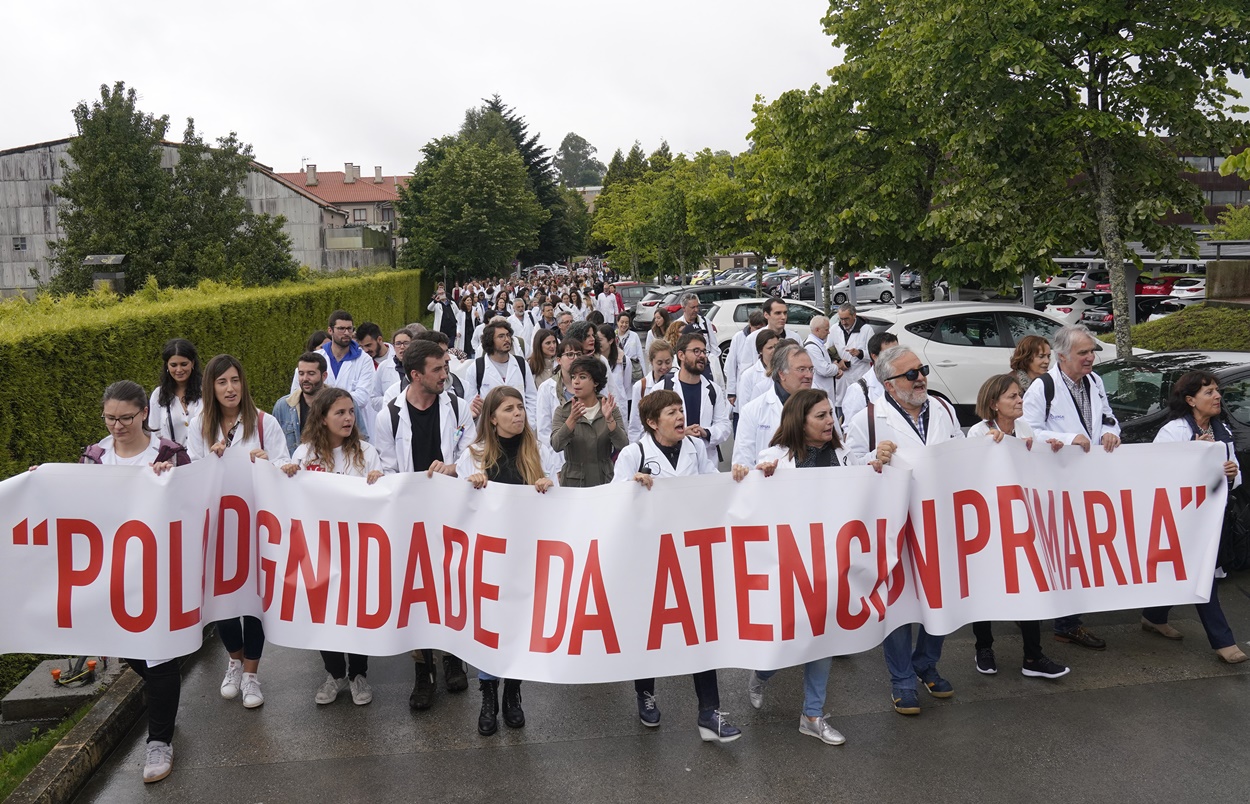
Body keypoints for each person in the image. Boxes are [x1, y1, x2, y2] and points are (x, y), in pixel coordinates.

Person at [741, 388, 894, 745]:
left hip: (833, 564)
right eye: (821, 416)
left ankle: (812, 714)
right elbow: (750, 502)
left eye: (830, 415)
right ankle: (762, 673)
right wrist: (758, 478)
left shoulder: (843, 455)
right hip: (792, 565)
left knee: (824, 638)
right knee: (788, 638)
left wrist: (878, 463)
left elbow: (864, 488)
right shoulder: (774, 458)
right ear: (800, 421)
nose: (830, 422)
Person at [613, 390, 740, 743]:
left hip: (688, 554)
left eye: (681, 410)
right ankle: (645, 693)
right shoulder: (634, 453)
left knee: (700, 630)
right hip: (648, 557)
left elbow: (712, 486)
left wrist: (737, 477)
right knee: (650, 629)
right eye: (672, 412)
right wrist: (630, 487)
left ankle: (709, 713)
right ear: (653, 422)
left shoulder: (696, 448)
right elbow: (612, 499)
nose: (681, 416)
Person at [79, 381, 189, 783]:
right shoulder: (94, 457)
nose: (117, 426)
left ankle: (159, 740)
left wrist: (171, 479)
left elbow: (191, 508)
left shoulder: (170, 454)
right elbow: (77, 506)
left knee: (159, 656)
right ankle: (166, 711)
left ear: (145, 413)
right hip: (114, 574)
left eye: (126, 417)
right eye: (110, 418)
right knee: (131, 652)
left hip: (160, 574)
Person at [843, 345, 962, 715]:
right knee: (897, 603)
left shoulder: (942, 409)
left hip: (938, 521)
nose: (921, 378)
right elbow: (847, 464)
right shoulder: (869, 419)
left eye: (922, 369)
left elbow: (959, 453)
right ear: (889, 384)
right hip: (894, 525)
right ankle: (902, 680)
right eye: (911, 374)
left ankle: (926, 662)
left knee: (939, 597)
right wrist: (871, 459)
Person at [373, 340, 477, 709]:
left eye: (446, 368)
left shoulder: (458, 407)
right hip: (411, 518)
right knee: (416, 593)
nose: (445, 375)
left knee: (451, 586)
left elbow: (473, 454)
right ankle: (423, 670)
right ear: (416, 374)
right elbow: (386, 468)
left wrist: (454, 467)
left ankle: (452, 658)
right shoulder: (390, 415)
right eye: (438, 370)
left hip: (451, 514)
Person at [188, 354, 289, 711]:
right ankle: (234, 660)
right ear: (211, 388)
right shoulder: (200, 425)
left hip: (256, 525)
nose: (230, 388)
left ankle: (251, 674)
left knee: (255, 603)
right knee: (225, 601)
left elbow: (284, 469)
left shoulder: (265, 423)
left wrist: (267, 463)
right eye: (221, 382)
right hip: (220, 528)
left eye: (235, 380)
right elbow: (192, 475)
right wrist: (210, 460)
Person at [454, 386, 554, 736]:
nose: (518, 414)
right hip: (489, 558)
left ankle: (513, 693)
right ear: (492, 418)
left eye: (520, 408)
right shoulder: (474, 455)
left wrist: (547, 485)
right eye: (509, 409)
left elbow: (561, 500)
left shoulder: (539, 452)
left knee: (518, 629)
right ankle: (488, 696)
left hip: (527, 555)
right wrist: (471, 484)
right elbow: (458, 505)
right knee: (489, 630)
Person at [279, 387, 384, 706]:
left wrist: (380, 480)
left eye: (351, 411)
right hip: (318, 549)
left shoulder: (367, 453)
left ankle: (358, 674)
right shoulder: (304, 455)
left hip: (356, 548)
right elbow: (289, 500)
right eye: (340, 412)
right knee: (325, 614)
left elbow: (382, 500)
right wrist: (287, 476)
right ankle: (335, 673)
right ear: (322, 418)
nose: (348, 418)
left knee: (354, 613)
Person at [965, 374, 1070, 680]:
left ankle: (1033, 656)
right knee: (985, 587)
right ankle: (984, 648)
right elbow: (969, 475)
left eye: (1020, 395)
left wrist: (1045, 449)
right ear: (994, 404)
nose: (1020, 400)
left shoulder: (1025, 429)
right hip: (988, 524)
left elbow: (1036, 469)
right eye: (1012, 396)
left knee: (1028, 584)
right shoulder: (977, 432)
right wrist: (989, 449)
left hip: (1023, 523)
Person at [1022, 324, 1119, 650]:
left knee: (1081, 554)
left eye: (1092, 351)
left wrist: (1110, 431)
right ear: (1062, 356)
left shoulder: (1094, 381)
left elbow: (1107, 415)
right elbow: (1029, 434)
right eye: (1083, 353)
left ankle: (1068, 623)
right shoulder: (1042, 388)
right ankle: (1057, 619)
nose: (1091, 357)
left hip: (1088, 484)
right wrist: (1067, 439)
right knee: (1058, 554)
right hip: (1054, 486)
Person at [1141, 370, 1247, 663]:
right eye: (1209, 392)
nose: (1217, 396)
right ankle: (1223, 641)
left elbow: (1234, 479)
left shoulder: (1222, 429)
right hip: (1180, 520)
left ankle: (1153, 616)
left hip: (1212, 520)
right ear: (1190, 400)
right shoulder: (1174, 432)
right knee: (1202, 577)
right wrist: (1196, 459)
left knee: (1183, 572)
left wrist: (1229, 474)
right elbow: (1157, 476)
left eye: (1216, 390)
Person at [639, 333, 730, 464]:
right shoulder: (662, 388)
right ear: (681, 355)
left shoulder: (713, 390)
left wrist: (705, 432)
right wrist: (679, 433)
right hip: (671, 460)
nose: (702, 356)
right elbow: (649, 428)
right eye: (696, 351)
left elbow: (724, 425)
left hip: (705, 461)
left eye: (704, 351)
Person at [732, 342, 817, 469]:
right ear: (782, 374)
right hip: (771, 484)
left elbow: (837, 450)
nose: (809, 375)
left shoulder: (823, 405)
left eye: (810, 369)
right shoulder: (752, 411)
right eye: (801, 369)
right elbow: (742, 464)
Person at [295, 310, 377, 441]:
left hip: (350, 426)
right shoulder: (317, 357)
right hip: (318, 424)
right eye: (341, 328)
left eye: (349, 329)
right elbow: (298, 391)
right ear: (330, 330)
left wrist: (328, 402)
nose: (346, 333)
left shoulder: (364, 360)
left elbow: (362, 397)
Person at [551, 356, 627, 486]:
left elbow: (624, 445)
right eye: (574, 377)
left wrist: (610, 421)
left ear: (596, 382)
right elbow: (556, 445)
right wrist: (571, 420)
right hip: (574, 483)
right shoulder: (563, 411)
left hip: (605, 480)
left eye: (582, 377)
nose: (576, 382)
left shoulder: (609, 408)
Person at [460, 319, 538, 426]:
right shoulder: (477, 368)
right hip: (489, 428)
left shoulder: (521, 364)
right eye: (501, 336)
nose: (507, 339)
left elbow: (531, 397)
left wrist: (529, 422)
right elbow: (471, 402)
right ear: (490, 341)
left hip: (519, 426)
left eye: (508, 335)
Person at [148, 338, 204, 446]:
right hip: (172, 461)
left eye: (183, 364)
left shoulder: (206, 391)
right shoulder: (158, 395)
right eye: (173, 365)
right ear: (167, 366)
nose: (179, 370)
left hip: (204, 458)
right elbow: (154, 433)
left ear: (192, 363)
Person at [274, 351, 328, 454]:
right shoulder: (283, 406)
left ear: (324, 376)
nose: (305, 379)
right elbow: (273, 444)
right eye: (301, 373)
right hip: (293, 468)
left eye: (311, 374)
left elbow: (361, 440)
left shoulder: (341, 403)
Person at [840, 332, 898, 428]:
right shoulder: (859, 391)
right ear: (875, 356)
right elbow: (851, 432)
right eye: (890, 354)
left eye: (898, 352)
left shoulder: (904, 380)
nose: (896, 357)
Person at [828, 304, 875, 415]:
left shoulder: (866, 330)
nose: (843, 322)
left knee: (859, 408)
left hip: (859, 375)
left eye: (846, 319)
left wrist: (860, 353)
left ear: (854, 315)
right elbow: (828, 350)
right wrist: (838, 362)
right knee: (841, 409)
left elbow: (874, 354)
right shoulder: (834, 329)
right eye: (841, 319)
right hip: (842, 378)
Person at [627, 340, 676, 442]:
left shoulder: (677, 384)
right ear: (651, 361)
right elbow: (635, 425)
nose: (664, 367)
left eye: (668, 362)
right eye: (659, 363)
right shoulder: (640, 387)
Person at [725, 310, 767, 419]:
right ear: (750, 325)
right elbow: (731, 366)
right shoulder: (738, 338)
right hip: (742, 386)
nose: (759, 332)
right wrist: (731, 392)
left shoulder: (766, 339)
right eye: (757, 328)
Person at [675, 293, 720, 378]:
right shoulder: (677, 325)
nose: (696, 310)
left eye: (697, 306)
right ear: (683, 308)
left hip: (705, 365)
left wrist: (714, 365)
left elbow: (714, 346)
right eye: (693, 307)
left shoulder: (706, 322)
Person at [736, 329, 782, 411]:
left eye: (776, 346)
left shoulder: (785, 371)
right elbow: (744, 407)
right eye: (770, 348)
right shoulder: (748, 375)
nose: (774, 350)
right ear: (760, 350)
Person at [804, 315, 841, 397]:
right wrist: (837, 367)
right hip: (820, 391)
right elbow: (824, 370)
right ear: (817, 330)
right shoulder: (811, 347)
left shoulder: (819, 344)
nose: (829, 332)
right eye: (826, 330)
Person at [598, 323, 630, 402]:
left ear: (611, 340)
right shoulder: (595, 361)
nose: (597, 343)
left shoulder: (624, 361)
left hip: (619, 406)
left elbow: (626, 386)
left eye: (600, 340)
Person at [616, 313, 644, 381]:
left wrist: (644, 374)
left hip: (633, 370)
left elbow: (640, 355)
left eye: (626, 323)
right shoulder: (613, 336)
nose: (624, 325)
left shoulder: (634, 336)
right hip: (618, 368)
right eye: (622, 322)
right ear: (617, 322)